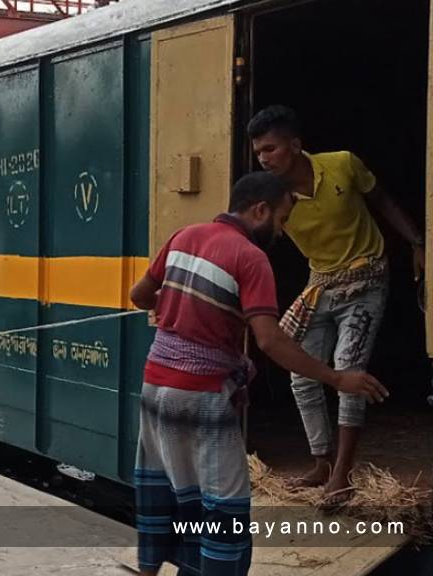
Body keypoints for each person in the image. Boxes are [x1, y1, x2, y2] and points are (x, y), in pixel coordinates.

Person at [128, 172, 388, 576]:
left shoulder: (183, 236)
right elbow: (270, 340)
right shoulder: (250, 258)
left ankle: (150, 570)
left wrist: (177, 301)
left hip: (155, 386)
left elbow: (139, 296)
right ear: (260, 209)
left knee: (168, 490)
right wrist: (338, 379)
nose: (281, 232)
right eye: (282, 220)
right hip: (201, 393)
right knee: (223, 507)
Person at [248, 105, 423, 506]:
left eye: (271, 149)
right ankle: (322, 462)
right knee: (301, 375)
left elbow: (382, 199)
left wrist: (416, 242)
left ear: (295, 145)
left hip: (366, 282)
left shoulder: (343, 165)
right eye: (259, 152)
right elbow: (253, 241)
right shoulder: (271, 199)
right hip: (320, 285)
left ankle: (342, 475)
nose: (263, 158)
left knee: (347, 371)